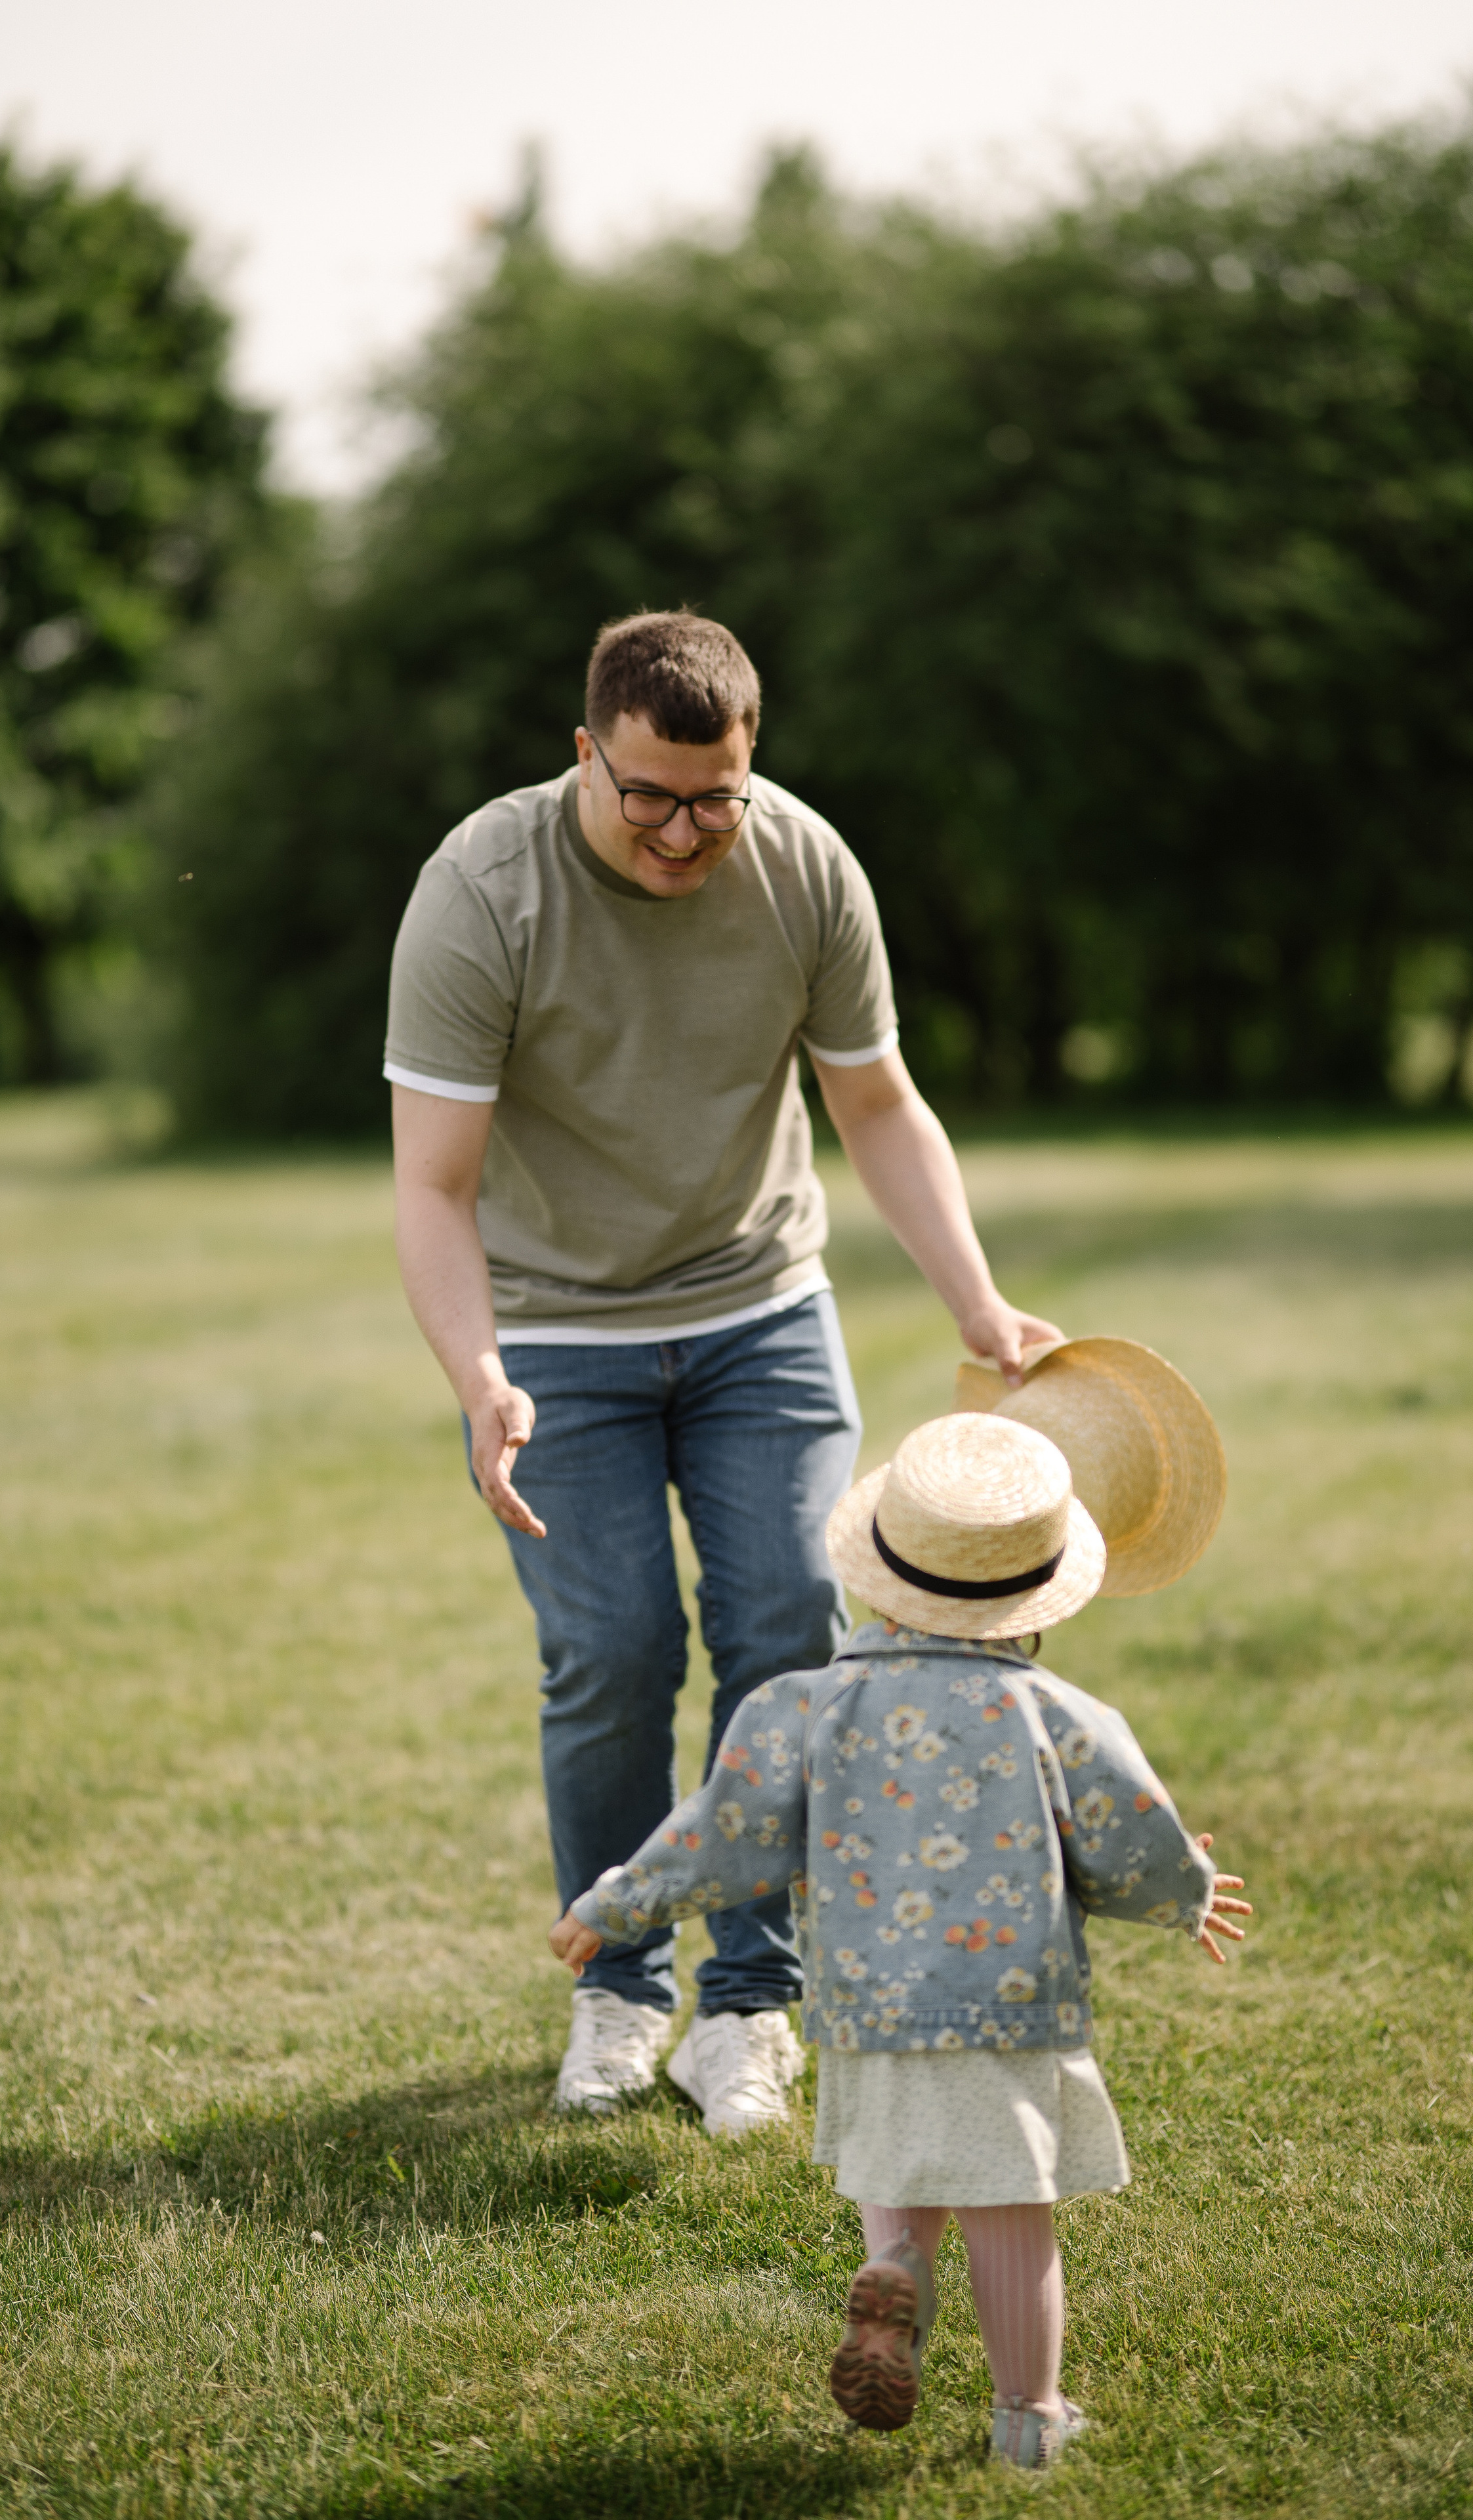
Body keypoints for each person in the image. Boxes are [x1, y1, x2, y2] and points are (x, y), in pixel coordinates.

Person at [388, 610, 1061, 2130]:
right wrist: (479, 1377)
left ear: (751, 762)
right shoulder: (480, 892)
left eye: (716, 796)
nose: (685, 832)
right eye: (648, 795)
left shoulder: (803, 866)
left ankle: (749, 2005)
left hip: (760, 1304)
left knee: (787, 1629)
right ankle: (618, 1985)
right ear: (585, 753)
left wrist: (976, 1302)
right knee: (612, 1652)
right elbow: (433, 1188)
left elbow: (875, 1102)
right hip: (559, 1324)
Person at [549, 1406, 1251, 2468]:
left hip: (867, 2007)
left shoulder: (801, 1708)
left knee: (901, 2170)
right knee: (1013, 2216)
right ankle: (1032, 2422)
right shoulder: (1058, 1715)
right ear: (1039, 1595)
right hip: (1011, 2007)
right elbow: (1126, 1836)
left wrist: (614, 1907)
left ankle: (901, 2279)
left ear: (877, 1574)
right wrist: (1186, 1892)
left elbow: (718, 1837)